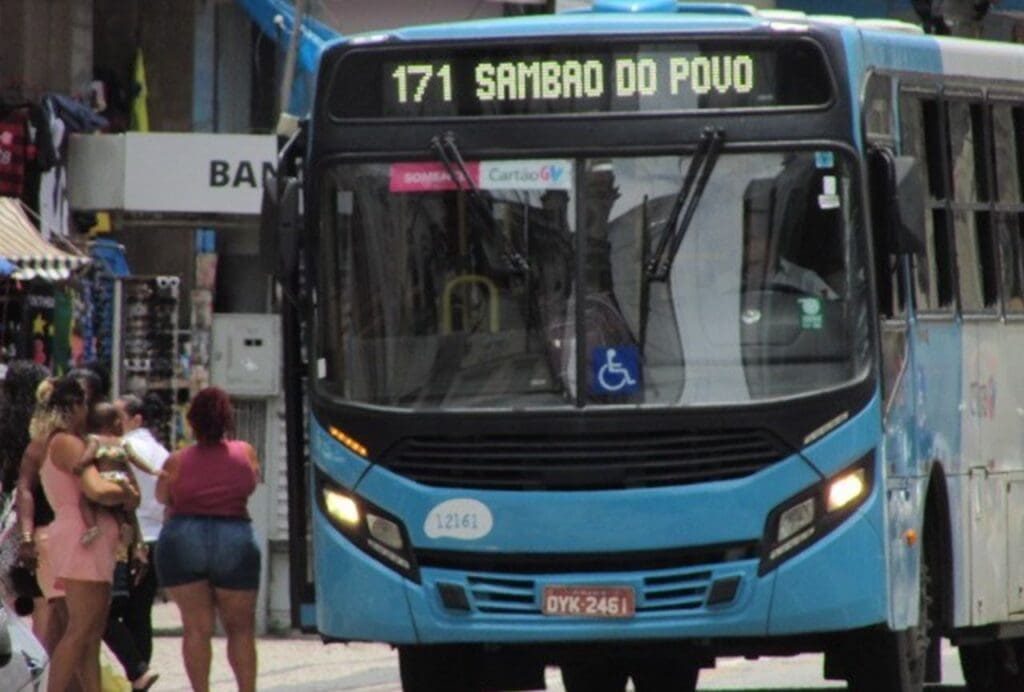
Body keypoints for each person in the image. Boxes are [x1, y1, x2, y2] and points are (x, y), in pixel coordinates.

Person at [156, 386, 261, 692]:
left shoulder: (176, 461)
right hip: (235, 536)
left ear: (192, 422)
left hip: (183, 537)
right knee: (241, 630)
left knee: (196, 628)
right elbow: (250, 485)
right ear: (227, 420)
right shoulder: (245, 453)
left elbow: (163, 496)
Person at [39, 375, 139, 692]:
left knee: (91, 633)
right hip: (83, 537)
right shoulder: (67, 443)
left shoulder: (60, 441)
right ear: (73, 406)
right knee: (81, 630)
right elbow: (96, 489)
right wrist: (124, 490)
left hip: (86, 536)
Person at [115, 393, 169, 671]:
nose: (113, 422)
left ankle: (135, 669)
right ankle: (140, 672)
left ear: (136, 419)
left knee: (111, 615)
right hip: (158, 537)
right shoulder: (162, 452)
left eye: (119, 416)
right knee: (141, 614)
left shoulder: (121, 447)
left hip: (132, 540)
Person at [77, 403, 156, 548]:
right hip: (121, 478)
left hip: (105, 478)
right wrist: (151, 470)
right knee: (119, 508)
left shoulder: (95, 440)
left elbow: (89, 455)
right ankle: (123, 525)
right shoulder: (122, 442)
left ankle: (92, 526)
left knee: (85, 500)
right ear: (115, 423)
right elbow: (135, 458)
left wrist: (79, 465)